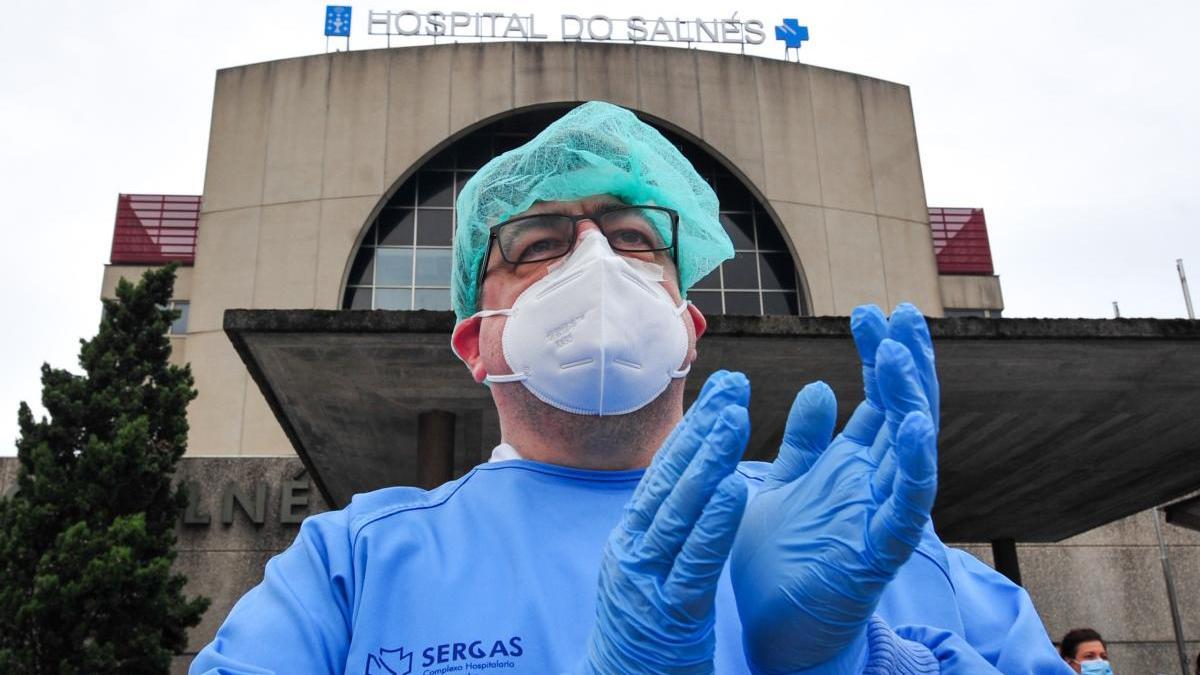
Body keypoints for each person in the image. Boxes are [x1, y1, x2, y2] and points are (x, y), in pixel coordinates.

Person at [191, 102, 1073, 674]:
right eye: (538, 243)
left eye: (634, 236)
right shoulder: (350, 566)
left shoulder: (876, 545)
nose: (595, 260)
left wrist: (853, 663)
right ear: (474, 341)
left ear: (687, 325)